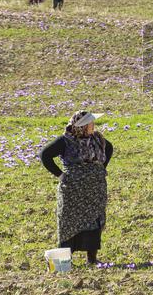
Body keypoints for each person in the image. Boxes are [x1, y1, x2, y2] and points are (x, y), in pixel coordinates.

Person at [40, 110, 114, 265]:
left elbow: (109, 149)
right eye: (90, 123)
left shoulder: (97, 139)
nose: (93, 126)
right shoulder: (66, 141)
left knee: (93, 223)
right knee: (69, 225)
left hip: (94, 190)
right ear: (81, 126)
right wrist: (60, 175)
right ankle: (63, 264)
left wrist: (99, 169)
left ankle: (92, 260)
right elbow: (45, 155)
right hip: (72, 191)